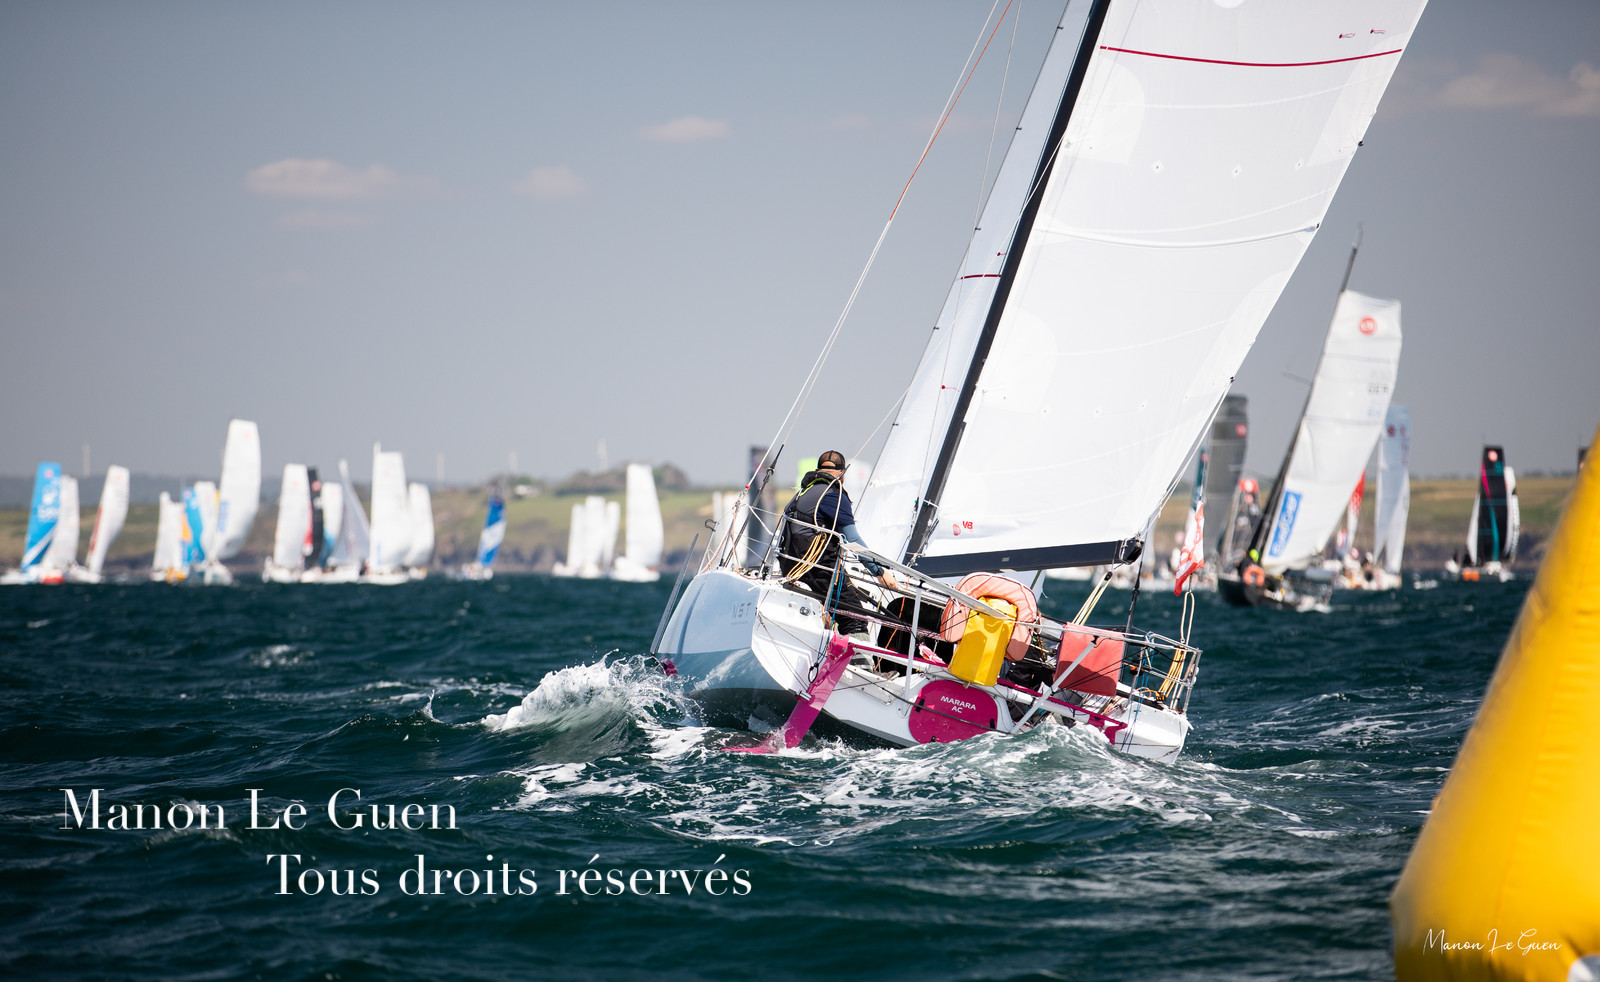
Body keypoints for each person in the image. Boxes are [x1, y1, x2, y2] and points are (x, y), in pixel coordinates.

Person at [778, 450, 896, 637]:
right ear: (843, 474)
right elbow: (853, 539)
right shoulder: (833, 494)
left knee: (832, 609)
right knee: (855, 619)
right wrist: (879, 571)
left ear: (818, 470)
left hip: (790, 566)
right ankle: (860, 655)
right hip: (816, 569)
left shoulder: (804, 491)